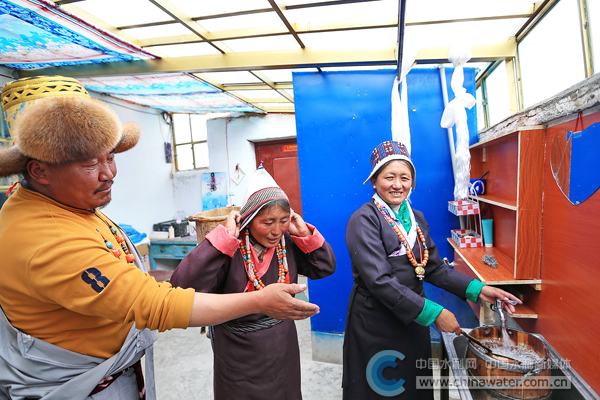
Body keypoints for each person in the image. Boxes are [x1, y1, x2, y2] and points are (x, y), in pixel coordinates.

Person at [0, 76, 318, 400]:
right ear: (39, 171)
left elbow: (323, 265)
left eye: (110, 157)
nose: (109, 173)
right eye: (90, 163)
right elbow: (158, 302)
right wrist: (258, 300)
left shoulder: (69, 204)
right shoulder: (46, 237)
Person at [342, 140, 522, 400]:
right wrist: (435, 312)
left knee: (413, 384)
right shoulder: (363, 220)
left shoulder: (417, 219)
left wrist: (478, 290)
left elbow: (434, 268)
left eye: (405, 178)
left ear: (412, 182)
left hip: (414, 317)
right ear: (374, 181)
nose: (397, 184)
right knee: (381, 386)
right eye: (389, 177)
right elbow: (379, 281)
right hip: (377, 321)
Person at [170, 166, 336, 400]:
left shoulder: (287, 243)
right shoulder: (231, 248)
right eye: (268, 222)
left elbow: (324, 267)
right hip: (237, 354)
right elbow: (182, 288)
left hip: (283, 348)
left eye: (283, 221)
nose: (276, 231)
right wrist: (222, 240)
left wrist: (303, 233)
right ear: (248, 219)